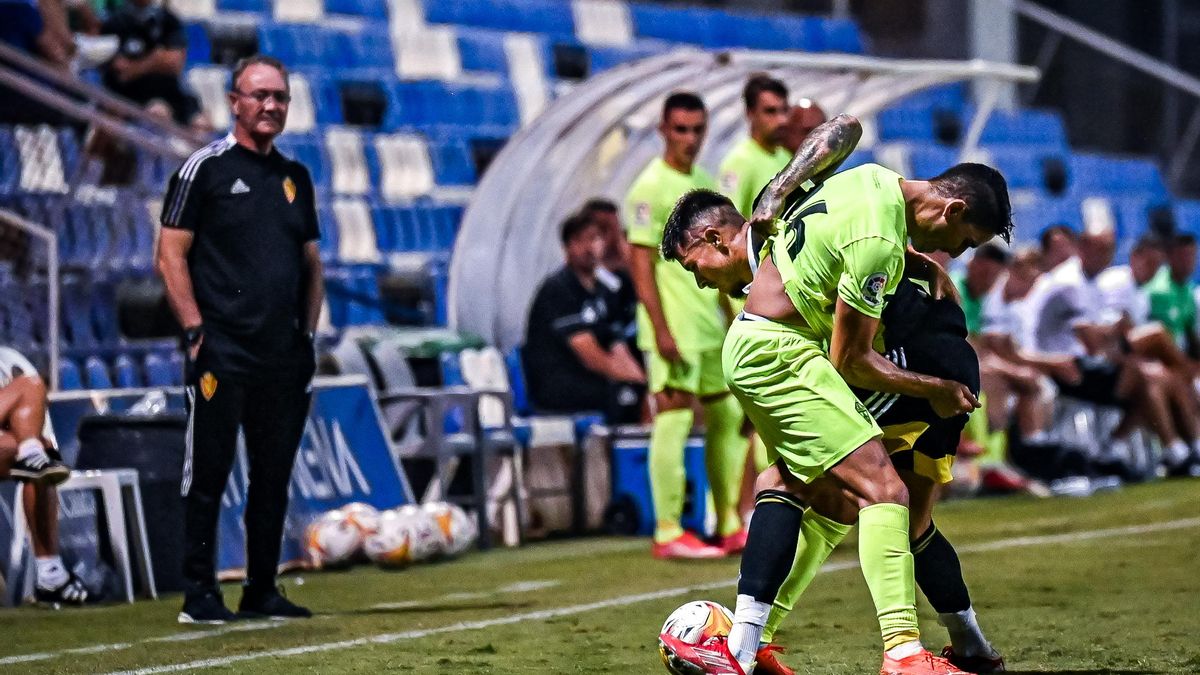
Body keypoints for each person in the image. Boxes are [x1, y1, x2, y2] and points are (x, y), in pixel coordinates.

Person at [658, 157, 1012, 675]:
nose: (952, 252)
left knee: (837, 497)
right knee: (881, 496)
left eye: (695, 271)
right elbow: (852, 356)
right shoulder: (872, 219)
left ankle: (746, 647)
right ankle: (904, 653)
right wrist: (938, 386)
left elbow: (842, 132)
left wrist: (914, 262)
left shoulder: (857, 188)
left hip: (864, 362)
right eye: (963, 241)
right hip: (907, 368)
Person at [156, 55, 324, 624]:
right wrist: (196, 330)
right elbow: (169, 253)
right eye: (259, 96)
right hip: (221, 350)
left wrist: (308, 335)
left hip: (283, 354)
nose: (270, 106)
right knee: (208, 474)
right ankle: (200, 594)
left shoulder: (295, 179)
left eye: (280, 97)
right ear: (235, 101)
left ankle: (262, 588)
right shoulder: (201, 169)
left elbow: (311, 264)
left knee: (272, 477)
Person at [624, 91, 748, 559]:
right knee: (673, 419)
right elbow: (639, 263)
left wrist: (731, 313)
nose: (690, 139)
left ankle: (730, 522)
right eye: (681, 129)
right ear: (663, 129)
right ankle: (668, 529)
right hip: (673, 327)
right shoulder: (648, 187)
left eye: (697, 129)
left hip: (710, 326)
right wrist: (659, 328)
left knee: (727, 418)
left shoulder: (703, 182)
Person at [1024, 225, 1200, 475]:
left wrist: (1113, 334)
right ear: (1082, 247)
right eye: (1101, 249)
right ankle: (1167, 445)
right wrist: (1115, 332)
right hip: (1064, 366)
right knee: (1153, 355)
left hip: (1080, 363)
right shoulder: (1072, 282)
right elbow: (1095, 343)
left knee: (1156, 377)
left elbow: (1102, 338)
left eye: (1110, 250)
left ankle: (1171, 449)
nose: (1106, 256)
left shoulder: (1093, 281)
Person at [522, 214, 645, 423]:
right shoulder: (559, 289)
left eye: (595, 239)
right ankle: (631, 453)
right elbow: (590, 356)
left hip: (591, 379)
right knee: (629, 396)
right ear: (567, 247)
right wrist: (633, 380)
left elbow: (616, 344)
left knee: (649, 392)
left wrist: (641, 378)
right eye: (581, 240)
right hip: (559, 384)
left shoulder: (604, 289)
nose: (589, 248)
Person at [0, 346, 89, 605]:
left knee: (40, 463)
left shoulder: (11, 360)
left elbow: (46, 439)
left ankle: (50, 572)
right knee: (30, 386)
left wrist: (35, 444)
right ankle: (52, 574)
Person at [100, 0, 208, 130]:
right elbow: (122, 71)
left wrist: (137, 66)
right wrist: (157, 58)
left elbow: (174, 63)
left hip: (171, 93)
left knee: (202, 124)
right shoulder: (114, 23)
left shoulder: (168, 20)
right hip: (130, 96)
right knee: (157, 112)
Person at [719, 74, 792, 218]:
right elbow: (726, 220)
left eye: (784, 110)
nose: (782, 120)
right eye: (770, 111)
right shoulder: (740, 161)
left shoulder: (786, 157)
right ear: (750, 113)